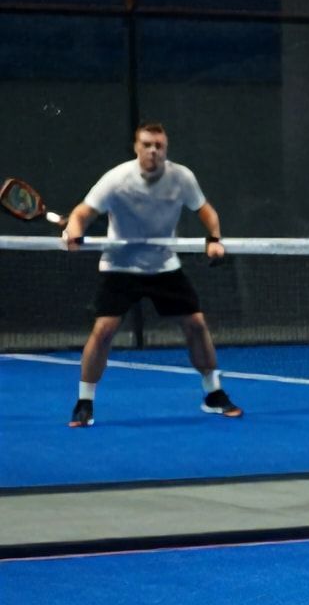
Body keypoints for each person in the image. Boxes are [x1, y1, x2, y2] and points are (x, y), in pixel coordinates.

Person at [60, 121, 243, 428]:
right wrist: (74, 231)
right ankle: (84, 402)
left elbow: (206, 211)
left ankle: (213, 394)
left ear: (165, 149)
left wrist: (214, 239)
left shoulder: (181, 178)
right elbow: (81, 213)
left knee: (196, 324)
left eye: (159, 146)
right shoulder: (116, 180)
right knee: (103, 330)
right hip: (121, 265)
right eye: (147, 145)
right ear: (136, 147)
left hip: (163, 265)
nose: (153, 151)